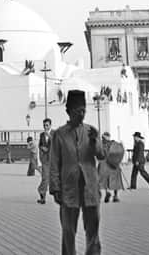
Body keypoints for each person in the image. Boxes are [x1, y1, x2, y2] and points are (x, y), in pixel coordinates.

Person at [50, 90, 105, 255]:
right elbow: (54, 163)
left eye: (83, 111)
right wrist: (55, 188)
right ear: (68, 112)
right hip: (69, 189)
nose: (81, 115)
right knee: (68, 231)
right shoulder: (59, 134)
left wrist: (96, 141)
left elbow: (101, 155)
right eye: (77, 111)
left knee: (93, 230)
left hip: (90, 187)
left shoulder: (91, 131)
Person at [97, 132, 124, 203]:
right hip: (113, 164)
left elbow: (99, 154)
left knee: (105, 180)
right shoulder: (114, 144)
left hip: (104, 164)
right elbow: (119, 152)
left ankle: (107, 193)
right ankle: (115, 195)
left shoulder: (101, 145)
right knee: (115, 180)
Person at [37, 118, 54, 204]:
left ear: (50, 125)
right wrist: (42, 148)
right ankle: (42, 195)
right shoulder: (41, 135)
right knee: (45, 178)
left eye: (47, 125)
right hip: (45, 160)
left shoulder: (55, 133)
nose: (45, 127)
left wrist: (50, 136)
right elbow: (40, 145)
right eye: (44, 125)